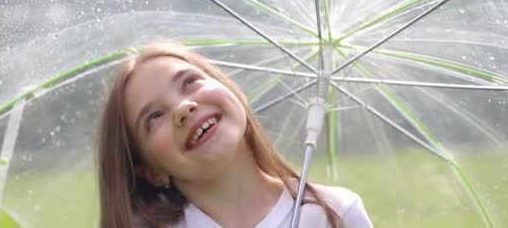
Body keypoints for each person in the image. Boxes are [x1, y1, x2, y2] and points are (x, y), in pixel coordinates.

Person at [97, 42, 372, 228]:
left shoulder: (334, 215)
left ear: (230, 90)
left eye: (190, 82)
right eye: (154, 117)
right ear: (150, 171)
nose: (183, 108)